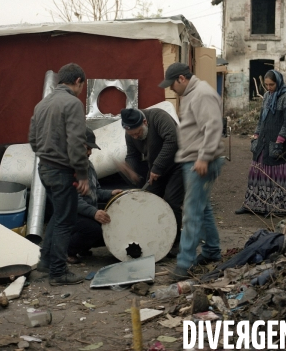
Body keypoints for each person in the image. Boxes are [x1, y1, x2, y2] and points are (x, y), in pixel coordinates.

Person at [158, 62, 225, 281]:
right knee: (201, 209)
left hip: (199, 161)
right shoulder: (192, 94)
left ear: (181, 79)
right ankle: (212, 250)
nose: (171, 89)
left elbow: (213, 126)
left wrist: (204, 157)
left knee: (191, 214)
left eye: (172, 84)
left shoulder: (201, 94)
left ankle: (184, 265)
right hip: (194, 160)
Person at [29, 63, 89, 286]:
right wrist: (82, 173)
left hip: (44, 169)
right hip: (62, 171)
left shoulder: (41, 104)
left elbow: (33, 140)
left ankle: (45, 261)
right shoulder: (72, 103)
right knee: (66, 221)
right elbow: (76, 143)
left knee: (57, 216)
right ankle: (58, 272)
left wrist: (47, 155)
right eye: (82, 85)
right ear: (78, 81)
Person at [120, 107, 184, 252]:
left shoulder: (158, 117)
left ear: (144, 122)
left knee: (172, 201)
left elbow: (172, 140)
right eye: (132, 135)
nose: (135, 137)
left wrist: (157, 167)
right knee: (148, 199)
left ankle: (175, 241)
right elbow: (132, 155)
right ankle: (155, 235)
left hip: (178, 165)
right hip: (156, 170)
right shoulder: (130, 134)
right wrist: (131, 170)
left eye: (138, 133)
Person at [235, 69, 286, 216]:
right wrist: (256, 134)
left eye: (272, 85)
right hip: (263, 140)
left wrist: (280, 141)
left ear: (278, 82)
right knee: (256, 170)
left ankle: (276, 208)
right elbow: (262, 118)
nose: (269, 88)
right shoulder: (267, 96)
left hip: (277, 142)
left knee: (276, 173)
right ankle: (252, 205)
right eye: (266, 85)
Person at [67, 127, 122, 263]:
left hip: (86, 213)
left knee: (109, 230)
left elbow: (95, 191)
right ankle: (67, 251)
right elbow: (73, 199)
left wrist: (111, 193)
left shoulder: (88, 165)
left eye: (91, 149)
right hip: (70, 215)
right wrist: (94, 213)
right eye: (87, 148)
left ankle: (82, 247)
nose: (90, 152)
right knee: (93, 230)